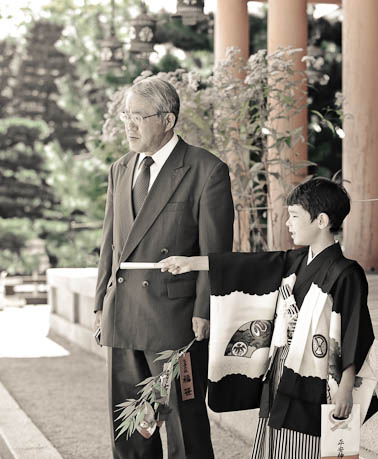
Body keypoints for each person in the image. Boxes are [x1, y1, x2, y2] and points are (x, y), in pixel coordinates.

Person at [160, 177, 377, 459]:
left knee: (309, 445)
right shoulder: (296, 261)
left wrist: (346, 389)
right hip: (282, 366)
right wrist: (191, 263)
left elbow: (354, 335)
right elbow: (250, 265)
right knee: (276, 443)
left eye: (295, 216)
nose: (288, 223)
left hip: (320, 374)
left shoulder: (346, 273)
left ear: (321, 220)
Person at [93, 77, 234, 459]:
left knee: (183, 421)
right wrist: (98, 306)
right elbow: (110, 243)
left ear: (168, 119)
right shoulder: (120, 169)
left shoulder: (206, 170)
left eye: (139, 116)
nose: (129, 125)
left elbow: (215, 251)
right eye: (126, 115)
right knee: (129, 425)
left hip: (176, 318)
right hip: (122, 310)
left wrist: (204, 310)